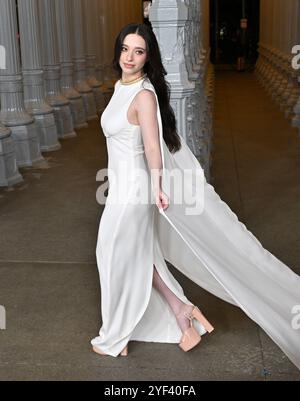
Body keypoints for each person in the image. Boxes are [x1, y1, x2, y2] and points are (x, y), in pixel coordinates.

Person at [91, 23, 300, 369]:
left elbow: (154, 147)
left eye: (139, 51)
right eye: (126, 49)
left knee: (113, 254)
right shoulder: (121, 86)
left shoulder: (143, 95)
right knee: (136, 256)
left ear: (148, 57)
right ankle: (180, 312)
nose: (130, 57)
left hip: (135, 194)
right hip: (121, 190)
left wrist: (157, 186)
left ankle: (115, 337)